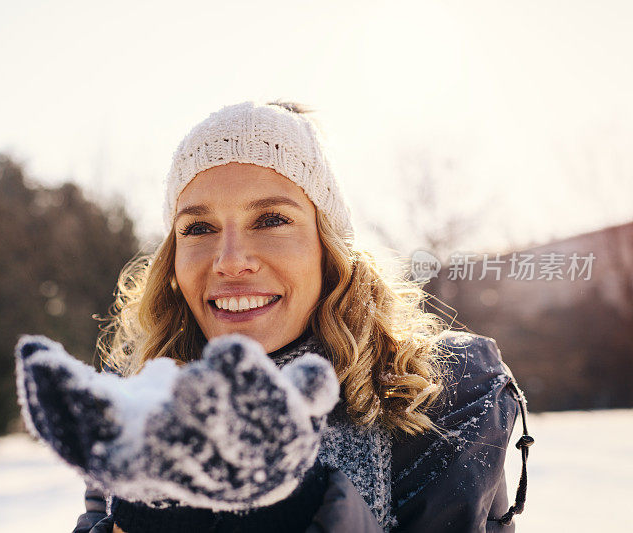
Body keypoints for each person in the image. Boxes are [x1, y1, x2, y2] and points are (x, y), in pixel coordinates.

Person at [70, 101, 532, 532]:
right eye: (199, 227)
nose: (230, 260)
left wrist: (310, 507)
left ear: (327, 247)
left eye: (270, 219)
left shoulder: (440, 393)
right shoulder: (137, 399)